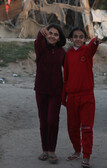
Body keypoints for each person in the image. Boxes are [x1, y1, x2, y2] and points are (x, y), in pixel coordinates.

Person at [62, 27, 102, 168]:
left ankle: (86, 156)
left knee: (86, 128)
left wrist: (95, 41)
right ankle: (77, 151)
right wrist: (64, 97)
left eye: (81, 37)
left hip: (87, 96)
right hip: (72, 97)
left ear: (84, 39)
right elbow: (65, 77)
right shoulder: (68, 55)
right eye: (75, 36)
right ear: (71, 39)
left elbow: (93, 46)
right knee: (72, 128)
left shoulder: (87, 51)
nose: (78, 39)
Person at [34, 24, 66, 164]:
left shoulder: (62, 53)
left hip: (56, 91)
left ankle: (52, 151)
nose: (52, 36)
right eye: (50, 33)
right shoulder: (41, 49)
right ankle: (45, 150)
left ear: (59, 38)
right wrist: (40, 34)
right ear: (46, 35)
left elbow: (70, 69)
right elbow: (37, 42)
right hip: (41, 90)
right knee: (43, 120)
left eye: (56, 34)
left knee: (52, 120)